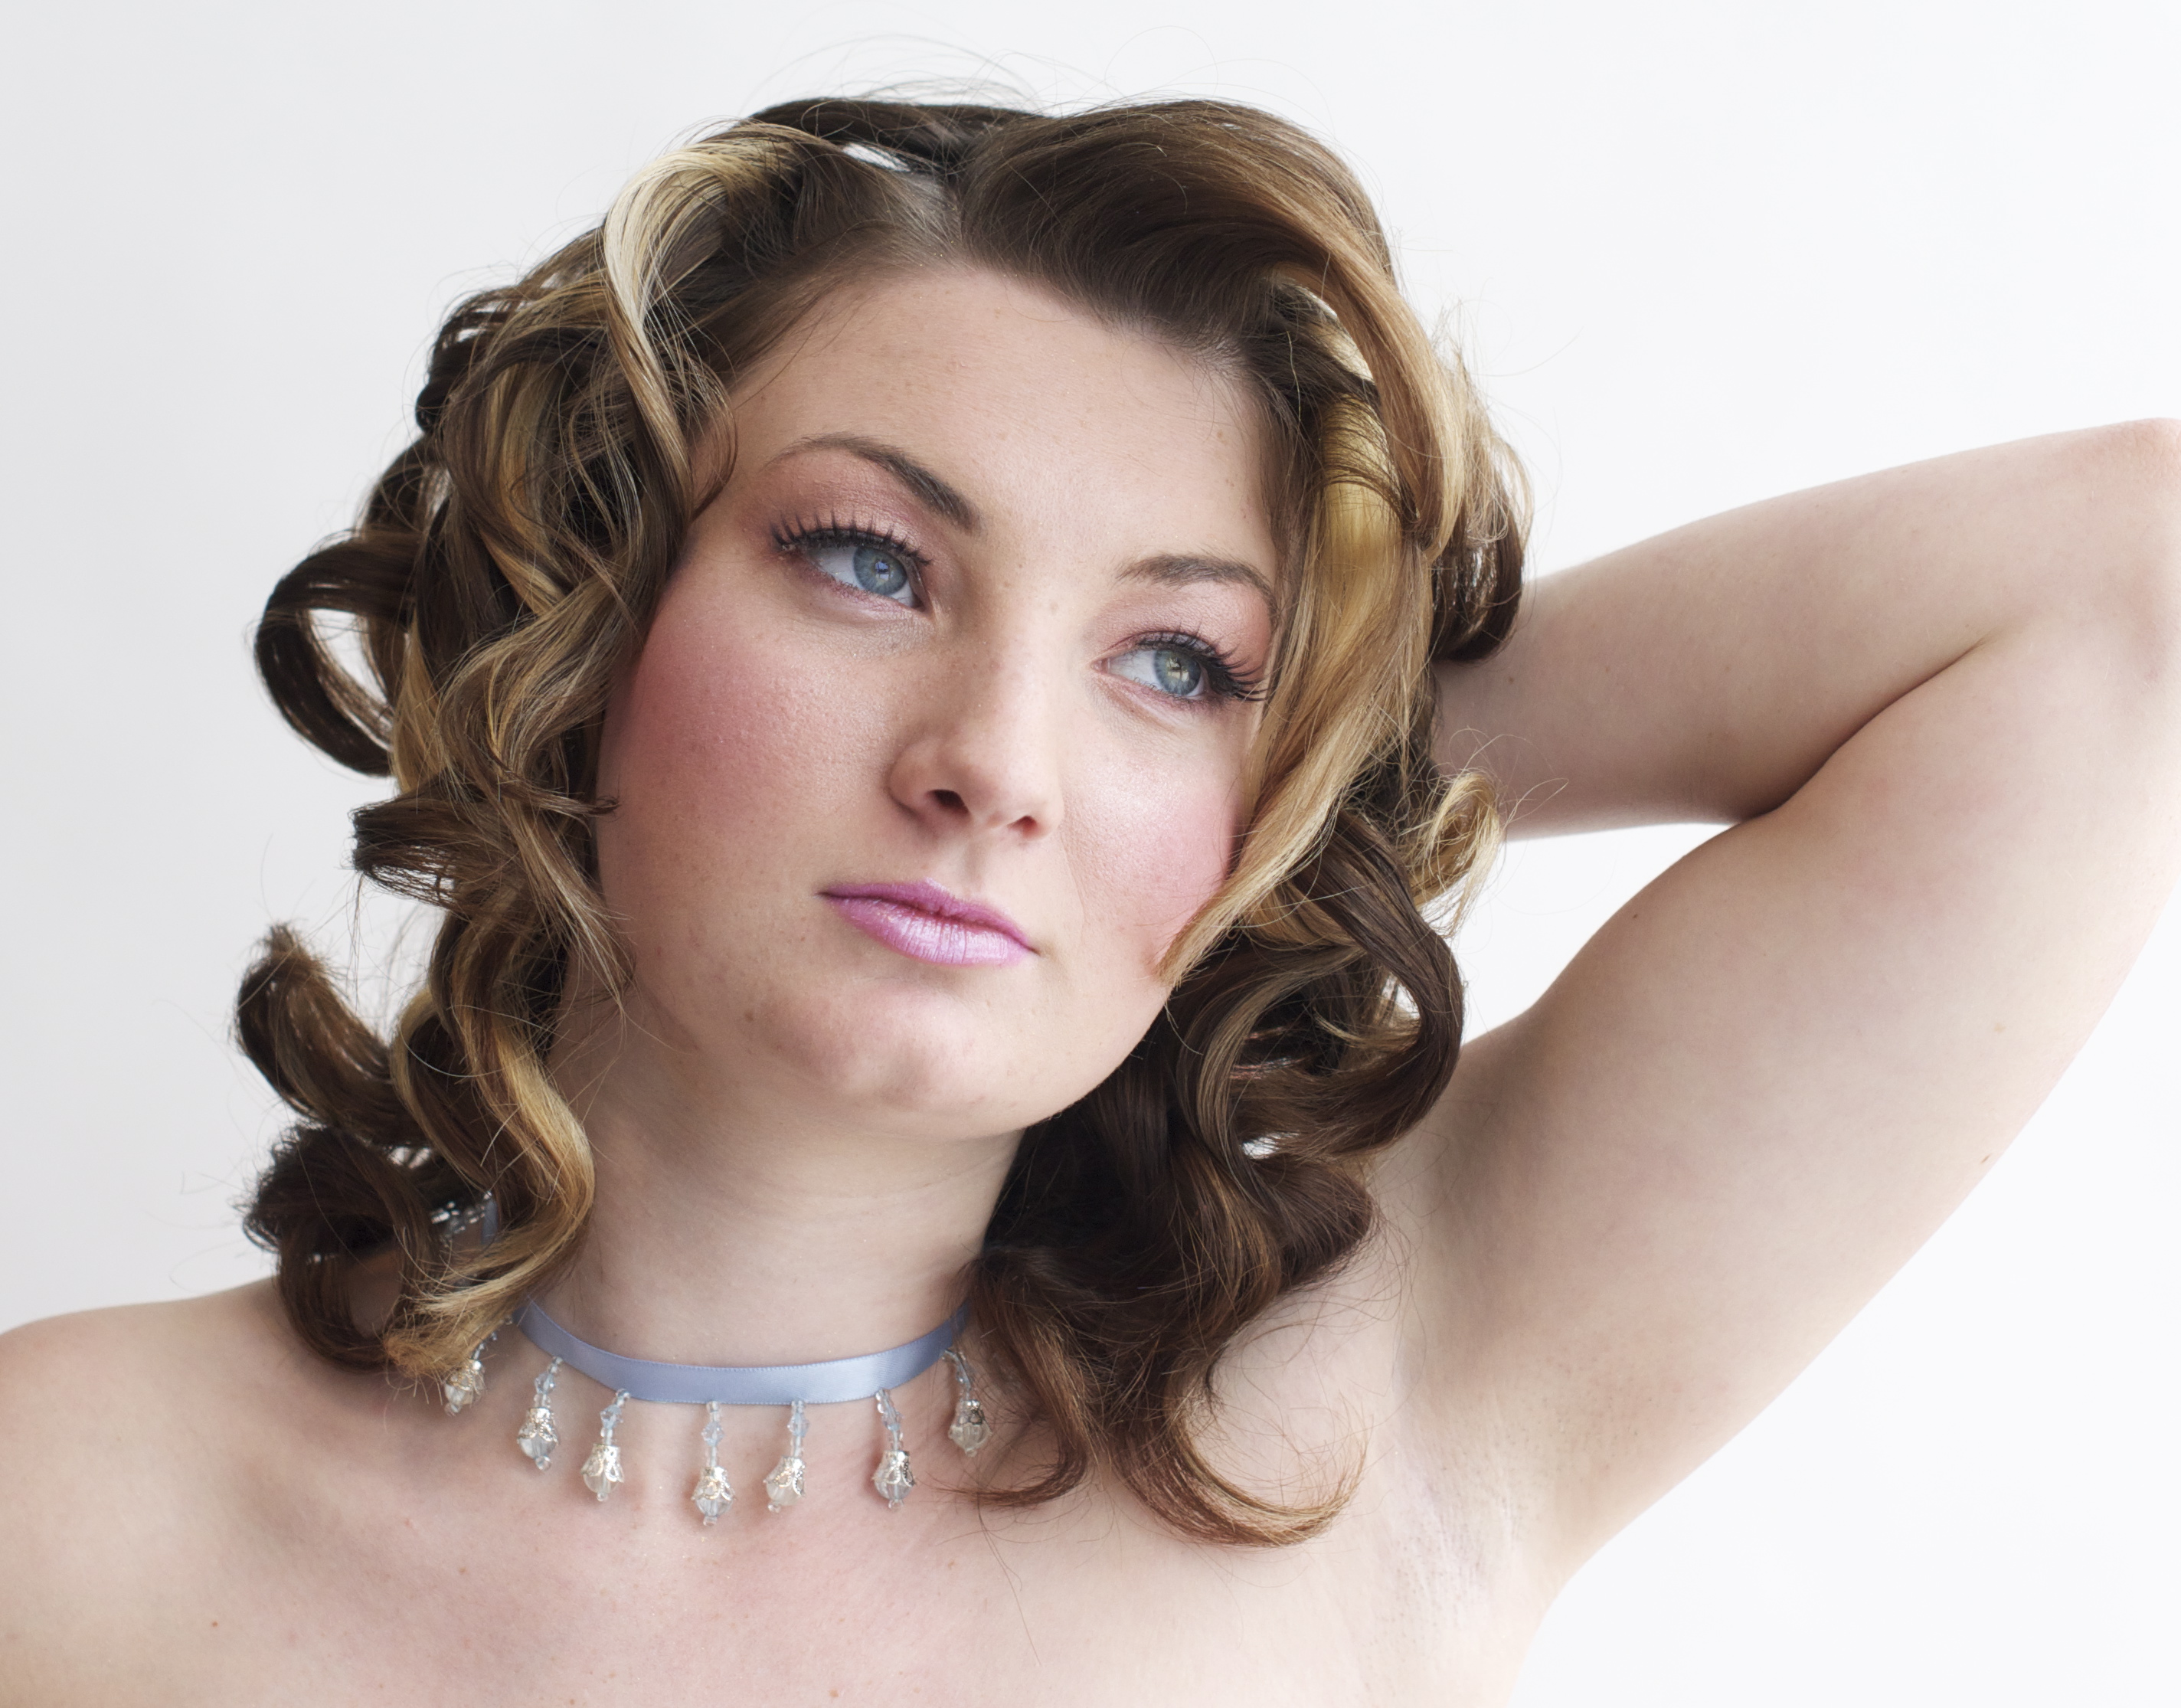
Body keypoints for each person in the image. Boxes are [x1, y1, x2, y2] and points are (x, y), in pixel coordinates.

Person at [2, 95, 2175, 1706]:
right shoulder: (70, 1502)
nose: (999, 764)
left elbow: (2123, 583)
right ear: (587, 617)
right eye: (871, 562)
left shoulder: (1387, 1409)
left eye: (1179, 662)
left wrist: (1325, 767)